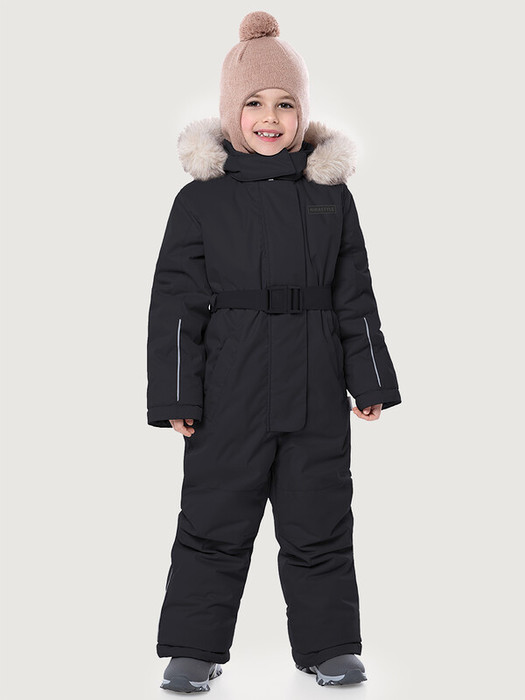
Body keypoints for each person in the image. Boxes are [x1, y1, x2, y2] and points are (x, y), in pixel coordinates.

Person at [146, 10, 401, 693]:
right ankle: (194, 648)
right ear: (231, 112)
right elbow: (175, 304)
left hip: (314, 383)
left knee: (319, 518)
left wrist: (368, 379)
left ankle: (330, 647)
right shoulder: (200, 201)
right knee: (214, 518)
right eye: (254, 103)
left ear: (302, 114)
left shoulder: (329, 198)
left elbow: (354, 294)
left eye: (285, 104)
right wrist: (177, 395)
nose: (269, 117)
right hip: (229, 387)